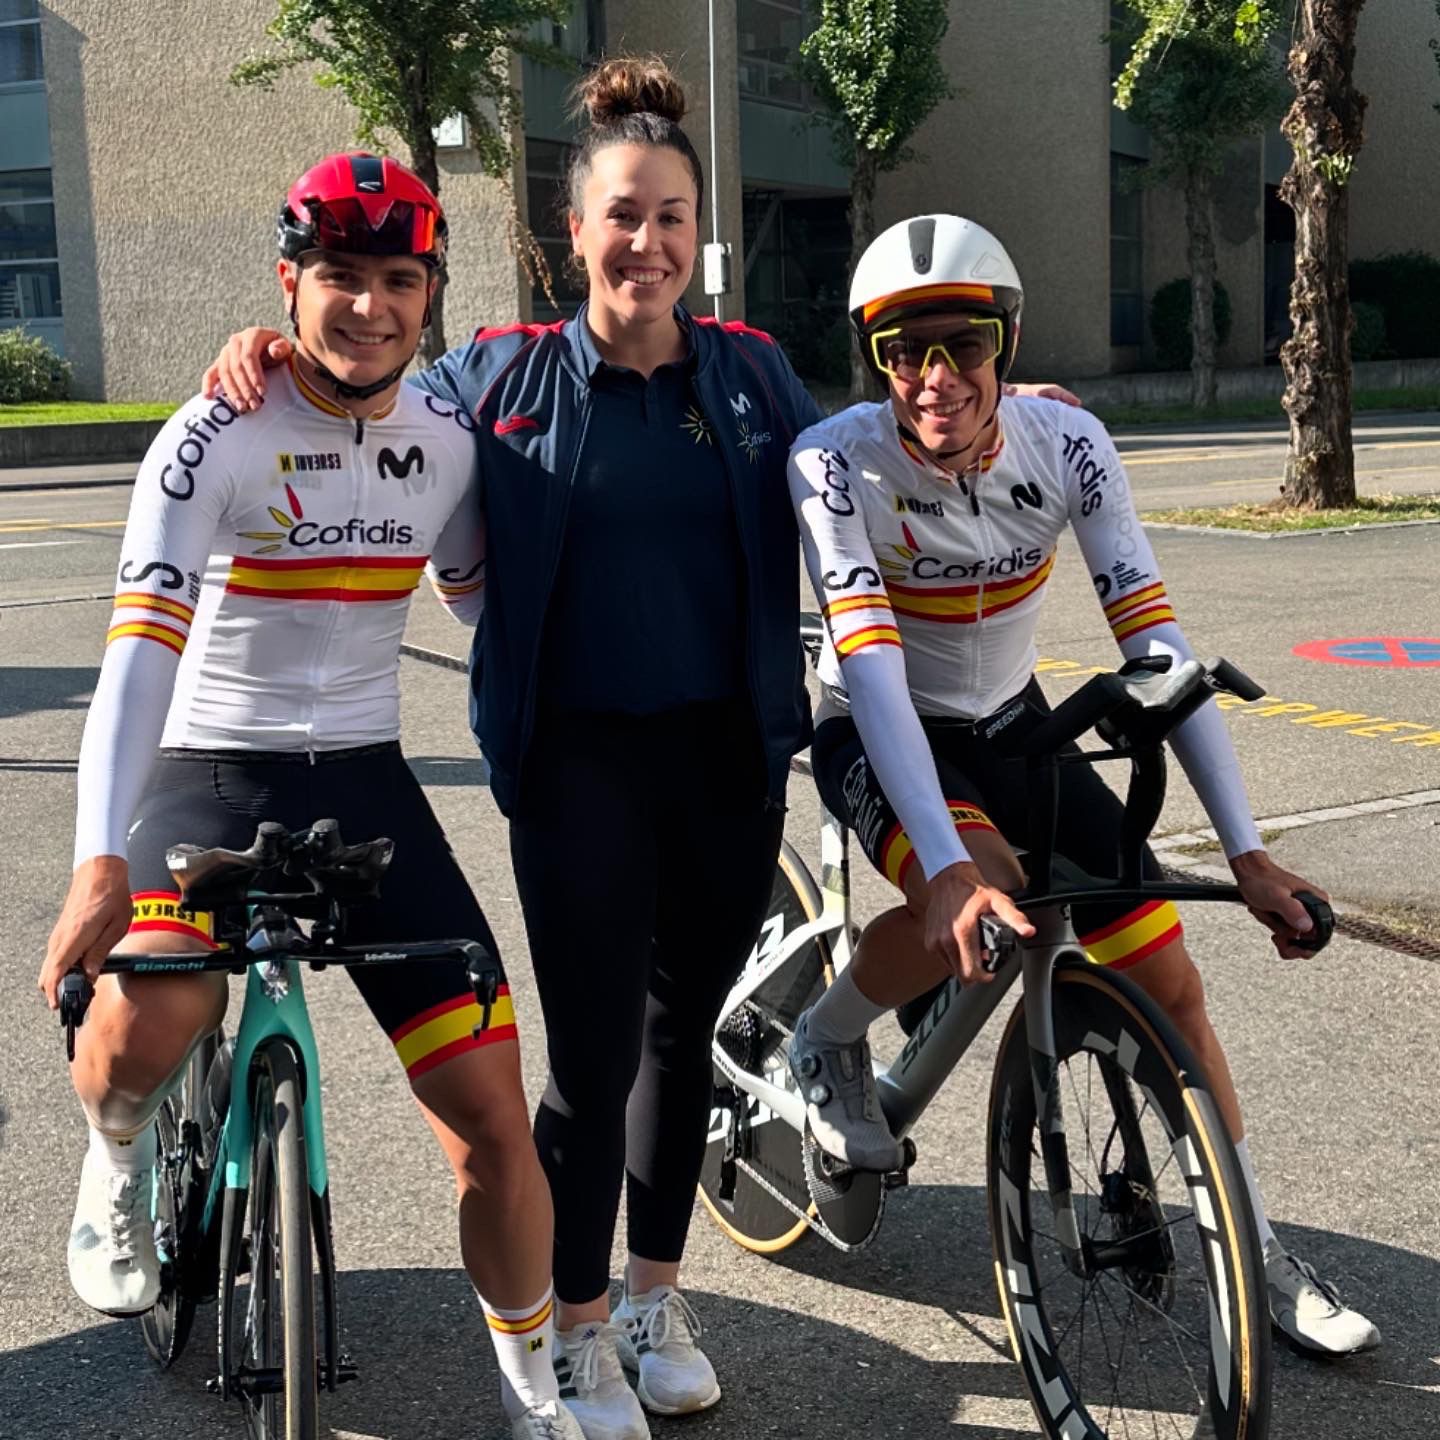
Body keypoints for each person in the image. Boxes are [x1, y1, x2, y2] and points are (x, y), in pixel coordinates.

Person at [203, 71, 1073, 1440]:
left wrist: (1006, 406)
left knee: (684, 1037)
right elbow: (355, 386)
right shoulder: (496, 374)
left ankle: (657, 1301)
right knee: (595, 1053)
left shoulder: (753, 374)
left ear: (694, 233)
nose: (647, 242)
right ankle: (577, 1326)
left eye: (672, 217)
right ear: (573, 231)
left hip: (731, 755)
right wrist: (265, 354)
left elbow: (884, 449)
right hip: (575, 763)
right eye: (623, 216)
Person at [40, 153, 585, 1440]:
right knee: (157, 1000)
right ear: (291, 281)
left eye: (399, 279)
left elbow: (478, 593)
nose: (368, 306)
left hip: (367, 778)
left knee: (494, 1118)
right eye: (340, 275)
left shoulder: (449, 442)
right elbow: (138, 657)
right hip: (207, 765)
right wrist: (96, 856)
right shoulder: (213, 431)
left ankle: (529, 1385)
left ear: (431, 295)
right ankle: (117, 1155)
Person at [784, 212, 1381, 1358]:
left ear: (1005, 338)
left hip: (1012, 722)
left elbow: (1157, 649)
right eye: (901, 351)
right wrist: (950, 868)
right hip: (873, 720)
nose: (933, 378)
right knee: (983, 882)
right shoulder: (832, 461)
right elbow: (872, 669)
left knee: (1170, 979)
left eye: (960, 343)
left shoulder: (1067, 440)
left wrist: (1247, 853)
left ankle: (1252, 1250)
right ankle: (826, 1032)